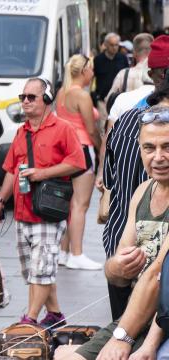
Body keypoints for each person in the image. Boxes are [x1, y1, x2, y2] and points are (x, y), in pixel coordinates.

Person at [54, 99, 169, 360]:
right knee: (64, 357)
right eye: (149, 148)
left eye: (167, 147)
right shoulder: (142, 192)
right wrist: (118, 265)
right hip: (137, 316)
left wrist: (124, 338)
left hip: (161, 323)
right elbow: (116, 274)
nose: (158, 157)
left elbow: (155, 276)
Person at [0, 78, 85, 328]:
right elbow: (11, 170)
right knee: (35, 272)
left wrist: (42, 173)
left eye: (32, 97)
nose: (26, 102)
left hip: (49, 213)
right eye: (23, 97)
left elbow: (77, 162)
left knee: (41, 270)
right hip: (23, 214)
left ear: (47, 99)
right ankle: (54, 315)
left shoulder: (63, 128)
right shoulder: (22, 132)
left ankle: (29, 319)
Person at [100, 35, 169, 321]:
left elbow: (108, 179)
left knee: (121, 332)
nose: (158, 155)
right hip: (152, 260)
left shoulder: (125, 117)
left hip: (119, 247)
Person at [55, 55, 103, 270]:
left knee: (67, 204)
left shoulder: (61, 93)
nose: (93, 73)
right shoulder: (82, 96)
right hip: (82, 150)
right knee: (80, 205)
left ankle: (63, 253)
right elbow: (91, 129)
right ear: (83, 71)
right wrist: (102, 148)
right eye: (91, 69)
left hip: (63, 151)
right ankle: (77, 253)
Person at [94, 33, 129, 128]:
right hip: (103, 101)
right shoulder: (98, 60)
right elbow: (93, 78)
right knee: (102, 127)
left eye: (116, 45)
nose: (114, 47)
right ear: (105, 44)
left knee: (119, 127)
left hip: (119, 100)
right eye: (111, 45)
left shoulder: (122, 58)